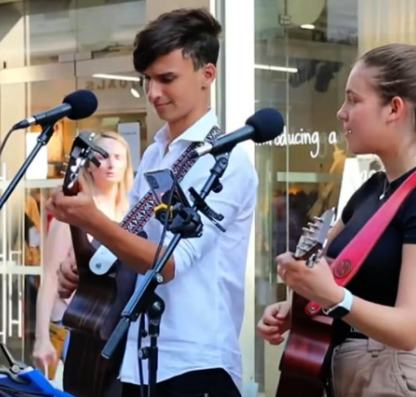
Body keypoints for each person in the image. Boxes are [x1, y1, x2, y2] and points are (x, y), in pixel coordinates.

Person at [46, 8, 257, 397]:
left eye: (167, 79)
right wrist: (91, 267)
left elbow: (171, 261)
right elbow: (132, 240)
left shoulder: (226, 162)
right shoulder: (156, 154)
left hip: (198, 360)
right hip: (138, 358)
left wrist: (94, 221)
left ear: (207, 75)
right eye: (147, 80)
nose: (153, 93)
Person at [257, 43, 416, 397]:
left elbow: (407, 328)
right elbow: (334, 271)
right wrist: (295, 306)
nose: (342, 113)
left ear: (394, 108)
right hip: (358, 366)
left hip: (406, 372)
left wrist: (329, 296)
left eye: (354, 100)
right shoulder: (373, 189)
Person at [32, 130, 134, 379]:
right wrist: (41, 337)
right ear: (89, 165)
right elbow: (50, 279)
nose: (111, 164)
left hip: (113, 328)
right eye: (104, 156)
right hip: (73, 324)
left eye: (119, 157)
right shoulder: (72, 213)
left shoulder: (133, 212)